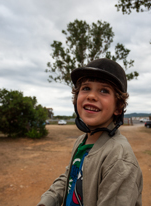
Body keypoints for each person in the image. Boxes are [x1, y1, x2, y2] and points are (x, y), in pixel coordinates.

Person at [37, 58, 143, 206]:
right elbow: (70, 177)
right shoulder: (82, 141)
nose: (91, 96)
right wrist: (49, 200)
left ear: (118, 107)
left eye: (104, 90)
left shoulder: (119, 158)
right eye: (86, 88)